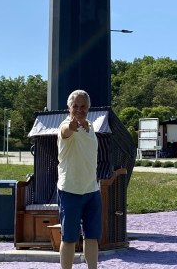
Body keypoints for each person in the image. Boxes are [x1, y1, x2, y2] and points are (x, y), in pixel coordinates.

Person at [57, 90, 101, 269]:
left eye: (83, 106)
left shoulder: (91, 127)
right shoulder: (66, 125)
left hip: (92, 190)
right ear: (69, 108)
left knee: (92, 236)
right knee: (68, 238)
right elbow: (65, 132)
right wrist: (72, 127)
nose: (79, 110)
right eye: (75, 106)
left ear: (89, 108)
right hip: (70, 190)